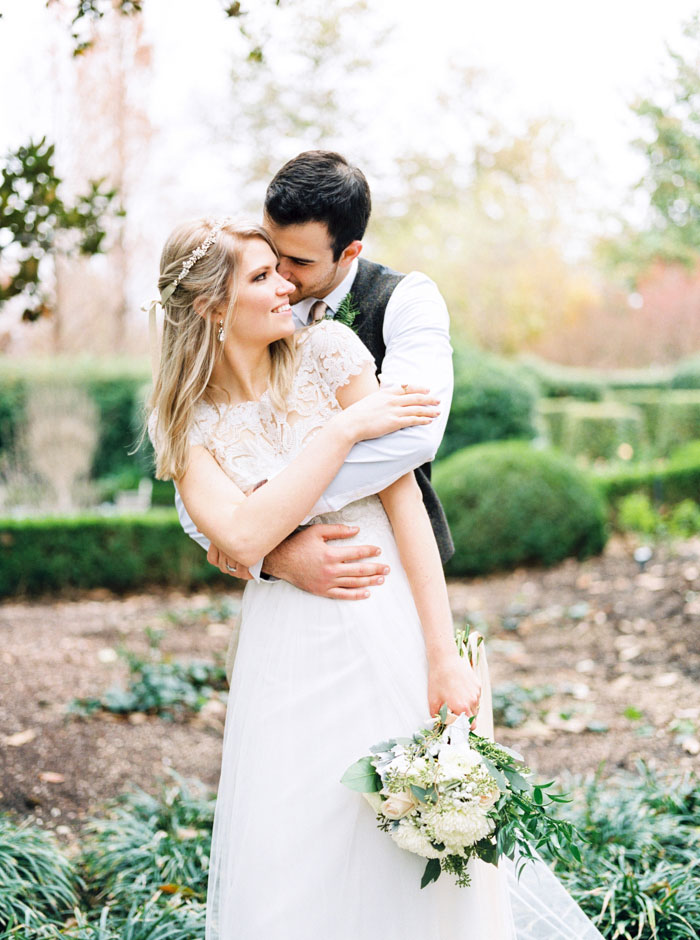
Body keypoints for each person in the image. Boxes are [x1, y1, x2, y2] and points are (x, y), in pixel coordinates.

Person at [147, 216, 604, 939]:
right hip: (287, 645)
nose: (286, 285)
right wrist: (339, 432)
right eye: (261, 277)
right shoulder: (187, 421)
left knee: (413, 833)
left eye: (283, 269)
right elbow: (237, 534)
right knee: (297, 835)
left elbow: (405, 503)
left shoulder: (328, 349)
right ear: (209, 305)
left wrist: (442, 652)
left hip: (386, 614)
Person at [174, 151, 454, 602]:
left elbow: (412, 439)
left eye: (299, 262)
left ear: (349, 253)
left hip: (391, 570)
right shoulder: (247, 311)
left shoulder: (406, 300)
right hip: (282, 585)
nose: (282, 277)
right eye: (271, 256)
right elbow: (198, 503)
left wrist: (265, 518)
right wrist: (269, 554)